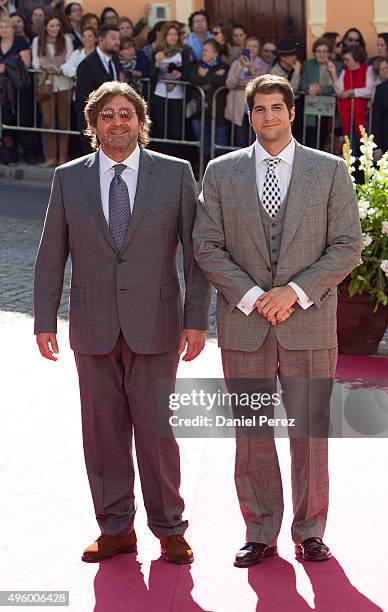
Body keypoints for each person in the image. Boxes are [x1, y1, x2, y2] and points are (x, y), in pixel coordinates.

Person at [33, 80, 210, 565]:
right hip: (91, 327)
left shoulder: (175, 174)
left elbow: (198, 257)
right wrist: (43, 320)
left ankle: (170, 528)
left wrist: (197, 321)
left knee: (157, 433)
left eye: (125, 114)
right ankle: (115, 528)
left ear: (140, 121)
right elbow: (52, 255)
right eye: (107, 115)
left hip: (156, 326)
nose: (117, 122)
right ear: (94, 126)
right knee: (103, 434)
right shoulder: (68, 178)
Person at [193, 73, 362, 568]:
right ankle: (259, 530)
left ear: (292, 112)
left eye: (276, 107)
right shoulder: (221, 173)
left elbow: (346, 246)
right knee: (252, 432)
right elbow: (207, 245)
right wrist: (251, 295)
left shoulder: (329, 171)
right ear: (250, 117)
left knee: (310, 431)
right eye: (259, 109)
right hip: (245, 325)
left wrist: (293, 291)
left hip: (307, 321)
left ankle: (310, 530)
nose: (268, 116)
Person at [32, 12, 73, 166]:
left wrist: (59, 68)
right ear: (46, 27)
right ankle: (51, 157)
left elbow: (70, 59)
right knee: (49, 122)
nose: (55, 29)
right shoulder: (38, 41)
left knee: (63, 121)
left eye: (57, 25)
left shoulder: (66, 40)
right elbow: (35, 61)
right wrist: (43, 66)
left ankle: (63, 157)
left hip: (63, 83)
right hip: (46, 83)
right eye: (52, 26)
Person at [75, 23, 121, 153]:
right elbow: (82, 100)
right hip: (96, 126)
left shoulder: (115, 59)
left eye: (118, 38)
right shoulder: (87, 65)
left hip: (113, 123)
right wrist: (91, 127)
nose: (117, 42)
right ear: (101, 40)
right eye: (113, 38)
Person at [0, 14, 36, 163]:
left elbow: (26, 63)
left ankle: (29, 155)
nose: (4, 30)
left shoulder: (20, 42)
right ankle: (10, 155)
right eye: (1, 27)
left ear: (13, 29)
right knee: (6, 123)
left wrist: (6, 66)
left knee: (24, 121)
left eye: (6, 27)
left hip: (20, 89)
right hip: (3, 91)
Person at [150, 21, 191, 145]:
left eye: (175, 34)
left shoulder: (183, 52)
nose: (173, 37)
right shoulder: (157, 52)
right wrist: (157, 64)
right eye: (169, 34)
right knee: (162, 130)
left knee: (176, 131)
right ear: (165, 36)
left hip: (178, 96)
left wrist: (180, 76)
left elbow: (188, 74)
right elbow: (151, 76)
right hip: (160, 96)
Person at [225, 36, 269, 147]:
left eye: (255, 46)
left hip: (255, 106)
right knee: (240, 139)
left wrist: (251, 69)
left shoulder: (264, 65)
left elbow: (261, 84)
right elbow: (229, 84)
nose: (252, 49)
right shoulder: (236, 63)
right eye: (249, 46)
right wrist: (239, 68)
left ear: (259, 49)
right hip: (238, 106)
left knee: (254, 139)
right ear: (244, 48)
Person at [330, 45, 374, 154]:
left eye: (347, 59)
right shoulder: (345, 72)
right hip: (349, 115)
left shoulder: (368, 69)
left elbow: (369, 89)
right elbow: (340, 91)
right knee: (351, 144)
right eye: (344, 59)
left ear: (356, 58)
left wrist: (351, 92)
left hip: (364, 114)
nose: (345, 62)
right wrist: (333, 73)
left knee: (364, 143)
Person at [189, 38, 229, 159]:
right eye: (203, 50)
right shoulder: (198, 65)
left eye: (207, 50)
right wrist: (214, 77)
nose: (203, 53)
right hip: (199, 111)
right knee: (203, 144)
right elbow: (193, 79)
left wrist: (206, 74)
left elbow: (223, 81)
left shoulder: (224, 66)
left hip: (218, 112)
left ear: (215, 53)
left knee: (220, 144)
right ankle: (205, 172)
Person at [299, 37, 342, 149]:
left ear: (329, 53)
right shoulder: (308, 64)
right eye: (318, 51)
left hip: (330, 108)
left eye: (324, 51)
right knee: (311, 138)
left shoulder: (337, 66)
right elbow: (301, 84)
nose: (321, 54)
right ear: (314, 53)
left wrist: (321, 90)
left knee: (326, 138)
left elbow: (337, 86)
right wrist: (309, 88)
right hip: (312, 107)